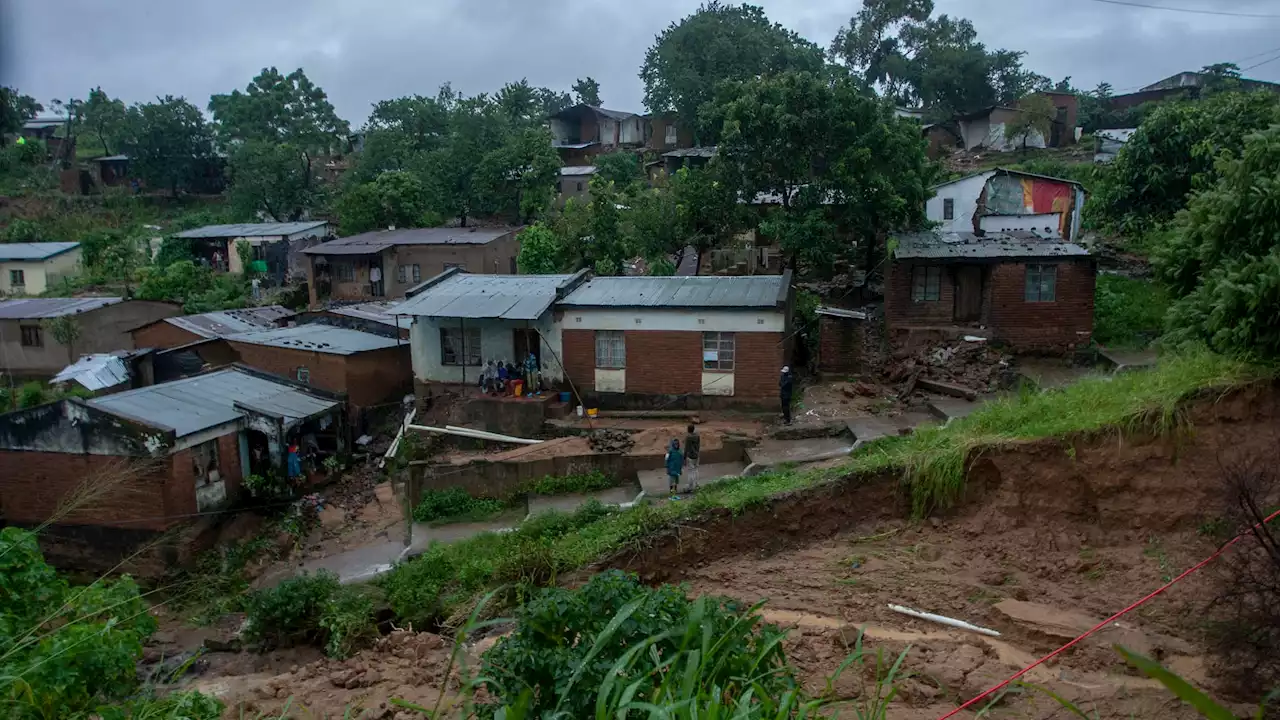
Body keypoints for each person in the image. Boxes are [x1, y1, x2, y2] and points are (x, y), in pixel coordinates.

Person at [683, 424, 701, 492]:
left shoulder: (688, 437)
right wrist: (697, 452)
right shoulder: (697, 436)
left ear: (688, 429)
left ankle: (690, 487)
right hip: (696, 455)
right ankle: (696, 485)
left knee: (690, 472)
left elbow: (686, 448)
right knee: (696, 470)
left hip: (690, 456)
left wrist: (684, 457)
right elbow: (698, 445)